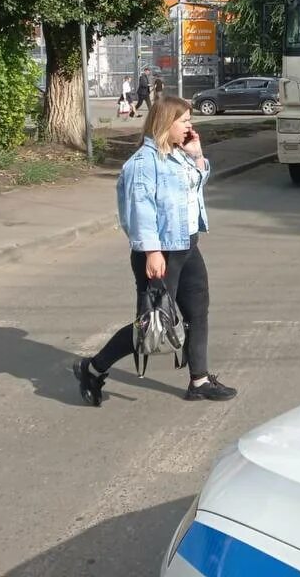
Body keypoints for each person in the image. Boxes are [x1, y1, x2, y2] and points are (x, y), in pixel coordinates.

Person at [72, 95, 236, 406]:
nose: (190, 126)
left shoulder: (179, 155)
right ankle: (91, 368)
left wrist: (198, 156)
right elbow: (140, 211)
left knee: (197, 312)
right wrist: (151, 252)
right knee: (151, 325)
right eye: (184, 121)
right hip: (161, 252)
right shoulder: (143, 164)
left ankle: (199, 381)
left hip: (187, 244)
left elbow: (194, 188)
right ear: (165, 123)